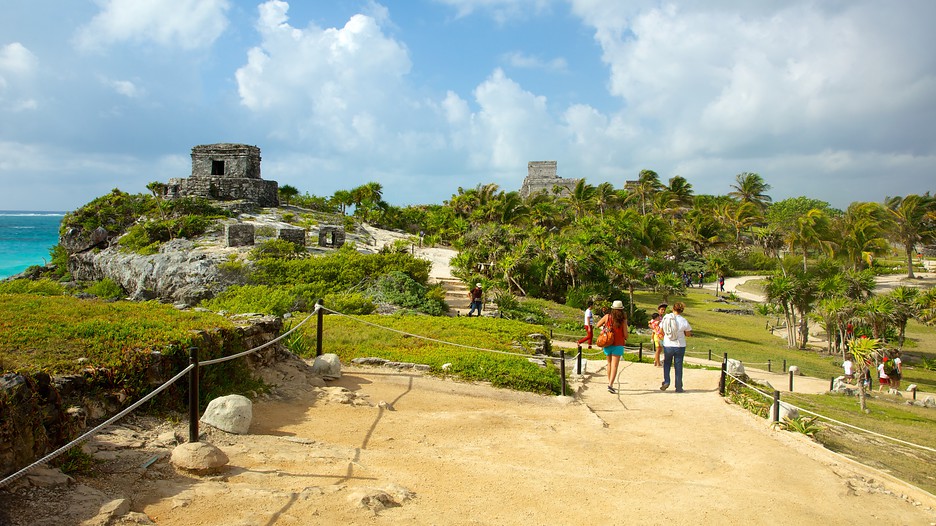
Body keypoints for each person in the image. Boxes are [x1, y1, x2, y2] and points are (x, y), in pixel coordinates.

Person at [595, 300, 628, 393]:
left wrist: (605, 329)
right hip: (618, 343)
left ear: (612, 308)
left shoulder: (607, 317)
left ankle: (610, 383)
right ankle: (610, 384)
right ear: (621, 309)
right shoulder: (623, 320)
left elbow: (597, 325)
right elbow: (625, 334)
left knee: (609, 364)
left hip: (608, 342)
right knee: (615, 366)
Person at [660, 301, 692, 393]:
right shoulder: (683, 320)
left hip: (668, 345)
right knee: (678, 366)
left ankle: (666, 381)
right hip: (679, 345)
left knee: (667, 364)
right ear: (681, 310)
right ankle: (678, 387)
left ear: (673, 309)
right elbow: (688, 333)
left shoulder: (666, 318)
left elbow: (661, 330)